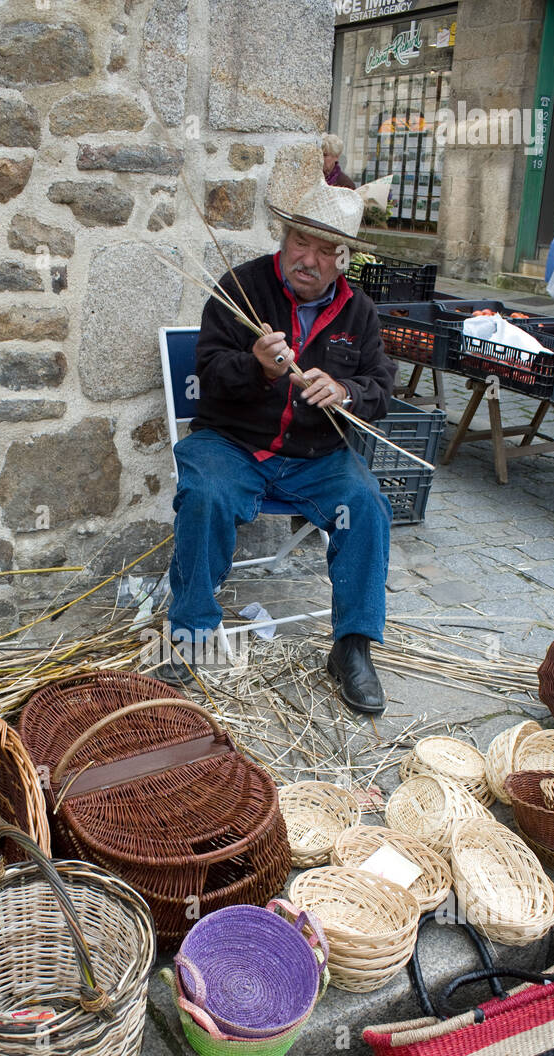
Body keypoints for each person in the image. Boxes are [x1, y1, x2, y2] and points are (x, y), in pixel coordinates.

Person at [158, 183, 397, 716]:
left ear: (344, 260)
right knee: (206, 495)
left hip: (317, 456)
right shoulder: (240, 288)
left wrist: (346, 392)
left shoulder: (359, 313)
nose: (307, 259)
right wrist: (257, 367)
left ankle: (352, 647)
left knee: (366, 506)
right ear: (283, 238)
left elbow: (381, 384)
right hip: (232, 443)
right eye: (298, 242)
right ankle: (191, 630)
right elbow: (209, 373)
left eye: (324, 249)